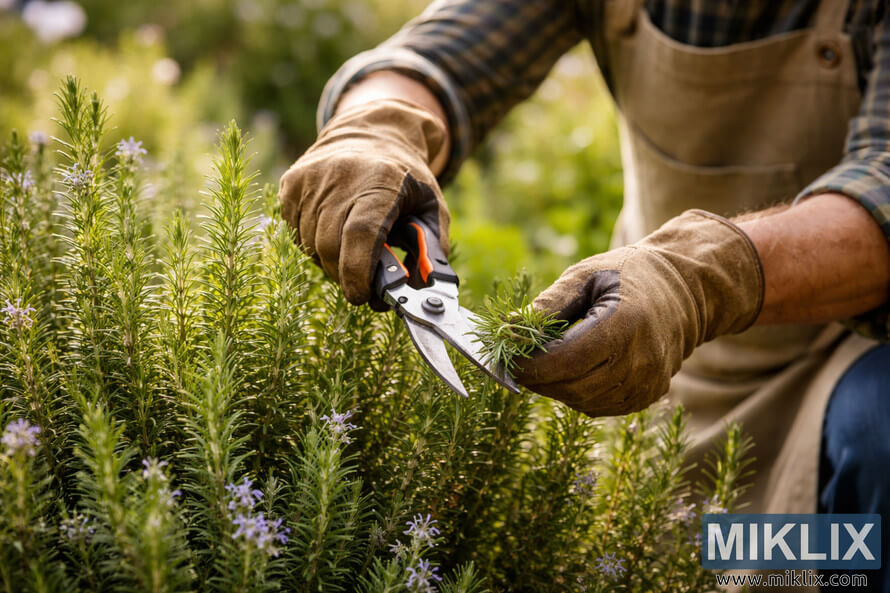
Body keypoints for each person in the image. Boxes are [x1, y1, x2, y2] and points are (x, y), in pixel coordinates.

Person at [279, 1, 890, 590]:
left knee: (841, 522)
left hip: (840, 372)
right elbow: (441, 54)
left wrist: (698, 277)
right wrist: (373, 126)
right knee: (675, 555)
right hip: (645, 377)